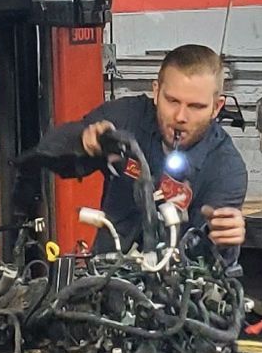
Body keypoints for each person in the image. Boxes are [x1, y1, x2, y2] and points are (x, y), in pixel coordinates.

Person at [34, 43, 249, 252]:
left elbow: (207, 258)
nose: (180, 117)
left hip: (178, 282)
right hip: (112, 272)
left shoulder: (226, 168)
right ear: (156, 92)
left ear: (217, 107)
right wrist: (82, 141)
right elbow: (48, 151)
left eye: (196, 106)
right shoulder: (127, 118)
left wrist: (221, 238)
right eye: (172, 101)